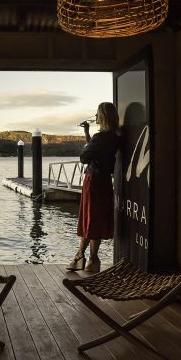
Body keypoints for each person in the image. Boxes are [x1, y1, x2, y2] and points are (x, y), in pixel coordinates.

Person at [67, 102, 120, 273]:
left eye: (97, 114)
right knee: (95, 218)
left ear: (102, 116)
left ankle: (89, 258)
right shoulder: (115, 137)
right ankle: (86, 258)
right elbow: (99, 151)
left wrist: (90, 141)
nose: (95, 117)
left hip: (93, 181)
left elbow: (84, 157)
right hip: (104, 181)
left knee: (89, 218)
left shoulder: (100, 137)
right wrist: (87, 134)